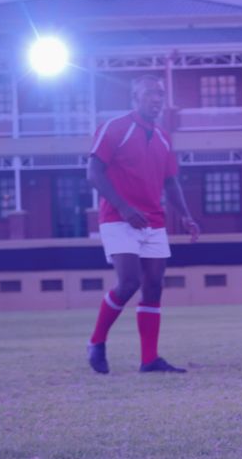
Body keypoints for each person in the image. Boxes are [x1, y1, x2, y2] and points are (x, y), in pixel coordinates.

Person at [85, 75, 200, 374]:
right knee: (129, 282)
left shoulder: (163, 137)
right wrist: (124, 208)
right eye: (150, 93)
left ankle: (149, 360)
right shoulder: (115, 128)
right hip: (117, 218)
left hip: (154, 221)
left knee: (153, 287)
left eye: (160, 94)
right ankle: (97, 342)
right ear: (135, 96)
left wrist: (186, 216)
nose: (156, 99)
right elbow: (94, 173)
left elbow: (171, 183)